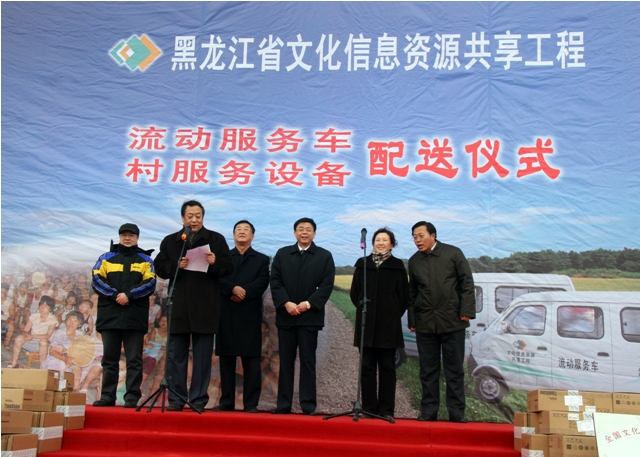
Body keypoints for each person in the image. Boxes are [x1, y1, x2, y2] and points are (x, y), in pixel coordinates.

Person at [154, 200, 233, 412]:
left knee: (202, 357)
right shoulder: (172, 241)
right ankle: (176, 398)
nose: (194, 220)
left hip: (205, 306)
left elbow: (228, 267)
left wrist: (215, 262)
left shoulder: (215, 239)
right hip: (179, 305)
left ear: (203, 217)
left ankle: (198, 399)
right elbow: (159, 267)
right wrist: (175, 265)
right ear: (183, 218)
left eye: (198, 216)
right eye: (190, 216)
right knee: (177, 355)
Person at [408, 221, 475, 423]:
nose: (417, 240)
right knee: (428, 370)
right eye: (414, 237)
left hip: (452, 320)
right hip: (425, 322)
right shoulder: (414, 261)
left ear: (433, 235)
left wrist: (466, 310)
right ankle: (429, 411)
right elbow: (412, 292)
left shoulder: (453, 253)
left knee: (454, 369)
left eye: (421, 236)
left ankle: (457, 412)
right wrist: (413, 319)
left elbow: (466, 282)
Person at [270, 217, 335, 415]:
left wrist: (308, 304)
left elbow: (327, 285)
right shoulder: (283, 254)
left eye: (308, 229)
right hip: (287, 316)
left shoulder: (324, 256)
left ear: (314, 234)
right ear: (295, 233)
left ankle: (308, 405)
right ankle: (283, 405)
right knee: (286, 361)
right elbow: (275, 281)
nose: (304, 232)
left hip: (310, 317)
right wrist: (286, 303)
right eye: (300, 229)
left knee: (307, 361)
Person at [92, 223, 157, 408]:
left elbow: (150, 283)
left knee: (134, 360)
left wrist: (129, 295)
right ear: (120, 237)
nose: (127, 238)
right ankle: (107, 396)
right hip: (110, 316)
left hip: (134, 317)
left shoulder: (145, 260)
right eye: (124, 235)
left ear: (137, 238)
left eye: (131, 235)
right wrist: (115, 295)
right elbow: (96, 280)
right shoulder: (106, 258)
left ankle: (132, 398)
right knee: (109, 360)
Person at [350, 228, 409, 420]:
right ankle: (369, 409)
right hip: (366, 324)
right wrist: (365, 310)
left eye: (385, 240)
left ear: (392, 244)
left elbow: (403, 297)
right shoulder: (363, 264)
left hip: (388, 326)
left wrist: (391, 313)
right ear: (372, 242)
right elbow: (355, 293)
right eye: (377, 240)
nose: (381, 243)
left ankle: (386, 410)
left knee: (387, 368)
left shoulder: (397, 266)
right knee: (367, 367)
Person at [215, 220, 270, 413]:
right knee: (226, 360)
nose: (242, 232)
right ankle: (226, 401)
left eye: (246, 229)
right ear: (233, 235)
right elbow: (217, 278)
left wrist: (244, 292)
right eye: (238, 229)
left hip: (249, 314)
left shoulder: (262, 259)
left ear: (252, 236)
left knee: (251, 361)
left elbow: (262, 281)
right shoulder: (223, 258)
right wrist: (232, 289)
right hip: (226, 312)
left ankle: (251, 403)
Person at [8, 295, 58, 368]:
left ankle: (42, 367)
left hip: (45, 345)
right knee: (19, 338)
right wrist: (26, 335)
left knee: (43, 341)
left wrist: (32, 336)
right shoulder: (34, 316)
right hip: (32, 342)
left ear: (50, 308)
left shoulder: (53, 319)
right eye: (41, 305)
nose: (42, 308)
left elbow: (48, 335)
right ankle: (14, 363)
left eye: (45, 306)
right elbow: (25, 330)